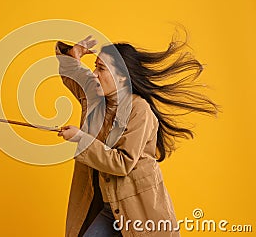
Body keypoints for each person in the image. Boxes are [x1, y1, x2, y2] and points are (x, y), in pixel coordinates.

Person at [55, 28, 220, 237]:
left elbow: (123, 163)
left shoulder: (139, 110)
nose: (95, 74)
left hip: (140, 209)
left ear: (122, 78)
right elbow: (73, 75)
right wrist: (73, 55)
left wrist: (80, 138)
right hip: (108, 208)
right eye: (95, 67)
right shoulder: (95, 96)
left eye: (101, 69)